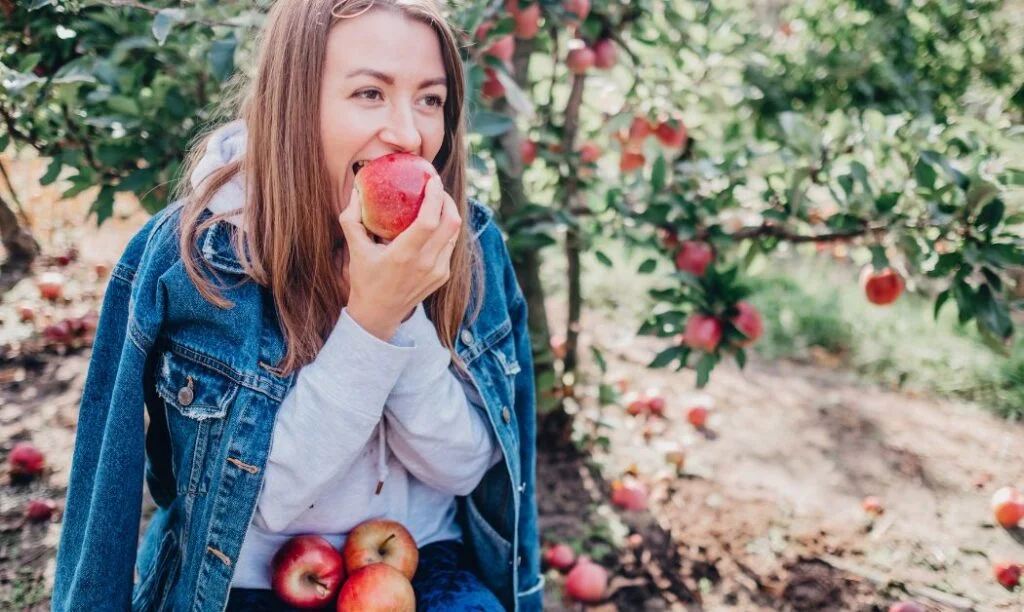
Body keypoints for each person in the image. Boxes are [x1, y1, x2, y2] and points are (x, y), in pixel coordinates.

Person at [50, 0, 543, 610]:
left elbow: (465, 469)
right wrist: (368, 322)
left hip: (424, 562)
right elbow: (264, 500)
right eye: (369, 92)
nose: (410, 134)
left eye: (430, 99)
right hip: (245, 578)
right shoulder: (199, 261)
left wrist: (402, 308)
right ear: (294, 101)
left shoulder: (468, 245)